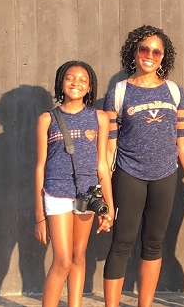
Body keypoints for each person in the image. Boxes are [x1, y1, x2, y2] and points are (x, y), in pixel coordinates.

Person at [102, 25, 184, 307]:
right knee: (122, 243)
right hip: (129, 175)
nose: (149, 55)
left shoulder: (176, 92)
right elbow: (108, 146)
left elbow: (183, 144)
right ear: (134, 52)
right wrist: (103, 191)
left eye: (156, 51)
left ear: (163, 57)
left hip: (166, 176)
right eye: (144, 49)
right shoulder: (118, 92)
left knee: (154, 244)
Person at [34, 61, 114, 307]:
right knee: (63, 260)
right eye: (70, 78)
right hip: (56, 193)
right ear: (61, 83)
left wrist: (109, 206)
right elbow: (40, 167)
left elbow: (102, 164)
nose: (76, 83)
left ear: (90, 87)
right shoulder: (47, 119)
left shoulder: (99, 117)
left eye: (82, 79)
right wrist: (39, 216)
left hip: (88, 195)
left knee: (79, 256)